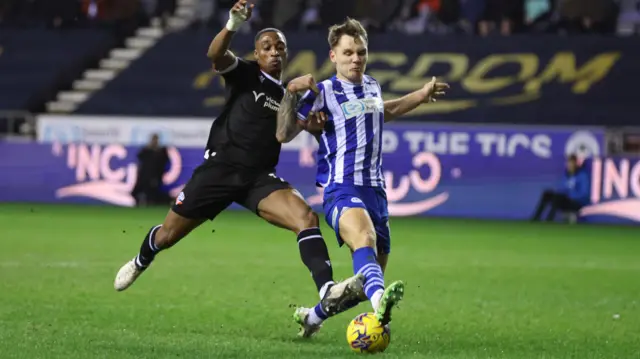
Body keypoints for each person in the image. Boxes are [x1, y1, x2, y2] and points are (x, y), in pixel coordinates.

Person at [114, 0, 364, 320]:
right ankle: (140, 260)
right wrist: (233, 25)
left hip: (258, 178)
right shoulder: (246, 74)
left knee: (306, 218)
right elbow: (215, 56)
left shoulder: (289, 95)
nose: (274, 52)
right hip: (220, 169)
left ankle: (327, 290)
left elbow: (286, 134)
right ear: (257, 54)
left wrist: (313, 128)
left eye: (279, 47)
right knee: (167, 236)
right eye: (266, 47)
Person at [277, 17, 449, 337]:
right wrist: (289, 92)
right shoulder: (324, 92)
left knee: (363, 282)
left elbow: (389, 111)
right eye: (348, 53)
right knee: (365, 242)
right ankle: (381, 306)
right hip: (342, 187)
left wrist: (421, 95)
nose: (356, 58)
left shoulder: (372, 85)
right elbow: (283, 133)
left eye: (361, 52)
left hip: (376, 192)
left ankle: (312, 318)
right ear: (333, 56)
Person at [531, 154, 590, 222]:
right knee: (547, 194)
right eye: (568, 163)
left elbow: (584, 193)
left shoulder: (582, 175)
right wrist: (561, 193)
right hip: (564, 199)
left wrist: (570, 194)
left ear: (576, 164)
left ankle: (549, 219)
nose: (569, 165)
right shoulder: (566, 175)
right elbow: (561, 188)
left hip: (577, 203)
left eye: (571, 163)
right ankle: (535, 218)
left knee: (558, 198)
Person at [131, 133, 171, 207]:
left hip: (155, 176)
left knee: (151, 194)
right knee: (135, 192)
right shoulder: (146, 150)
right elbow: (140, 157)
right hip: (144, 176)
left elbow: (165, 161)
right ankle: (139, 204)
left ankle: (150, 206)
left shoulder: (161, 151)